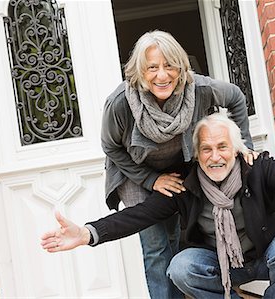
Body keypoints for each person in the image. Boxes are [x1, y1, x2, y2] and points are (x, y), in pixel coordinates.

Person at [41, 111, 275, 299]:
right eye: (206, 149)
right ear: (196, 153)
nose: (215, 156)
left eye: (222, 147)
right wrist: (88, 233)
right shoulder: (186, 184)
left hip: (265, 257)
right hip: (218, 266)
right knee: (180, 267)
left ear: (237, 148)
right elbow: (140, 215)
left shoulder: (258, 169)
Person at [101, 30, 255, 298]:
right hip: (135, 173)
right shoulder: (121, 104)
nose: (162, 76)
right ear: (140, 71)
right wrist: (150, 180)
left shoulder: (200, 89)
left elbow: (236, 98)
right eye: (152, 68)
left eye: (169, 65)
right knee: (156, 245)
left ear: (181, 66)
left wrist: (244, 147)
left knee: (178, 236)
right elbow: (110, 146)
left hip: (178, 167)